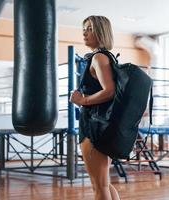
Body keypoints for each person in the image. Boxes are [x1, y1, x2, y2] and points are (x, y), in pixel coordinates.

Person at [69, 15, 120, 200]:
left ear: (101, 31)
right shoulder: (106, 57)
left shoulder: (99, 58)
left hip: (94, 126)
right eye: (84, 28)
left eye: (89, 28)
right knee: (104, 184)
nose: (85, 31)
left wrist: (82, 101)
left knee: (99, 186)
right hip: (101, 124)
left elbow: (109, 91)